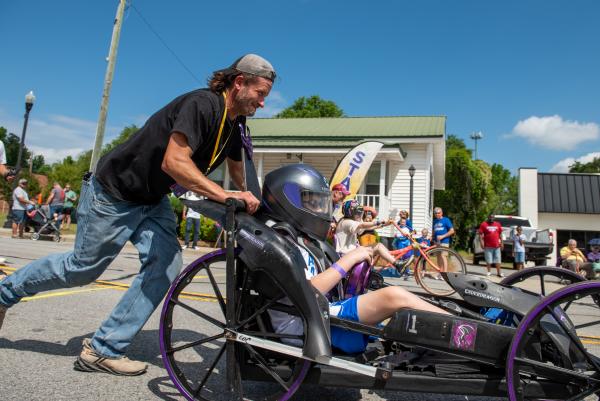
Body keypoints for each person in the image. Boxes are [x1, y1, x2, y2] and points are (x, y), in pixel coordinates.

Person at [0, 53, 275, 375]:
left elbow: (237, 167)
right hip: (114, 192)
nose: (262, 103)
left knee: (166, 264)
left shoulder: (234, 124)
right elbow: (174, 162)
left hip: (151, 198)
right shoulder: (202, 105)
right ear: (239, 83)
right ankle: (5, 292)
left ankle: (103, 349)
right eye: (261, 94)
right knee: (83, 268)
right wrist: (224, 193)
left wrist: (255, 202)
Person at [261, 164, 449, 354]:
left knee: (392, 301)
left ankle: (459, 325)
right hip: (303, 324)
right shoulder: (279, 241)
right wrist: (349, 259)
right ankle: (468, 331)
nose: (320, 209)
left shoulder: (295, 238)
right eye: (313, 203)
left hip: (314, 313)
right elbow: (308, 291)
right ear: (289, 201)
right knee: (394, 296)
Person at [336, 199, 405, 272]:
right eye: (357, 213)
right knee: (378, 247)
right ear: (350, 213)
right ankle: (397, 264)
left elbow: (366, 227)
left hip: (350, 253)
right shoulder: (347, 222)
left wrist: (383, 225)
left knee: (378, 246)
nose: (359, 215)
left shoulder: (347, 222)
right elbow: (362, 225)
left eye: (359, 212)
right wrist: (378, 222)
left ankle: (396, 264)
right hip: (346, 255)